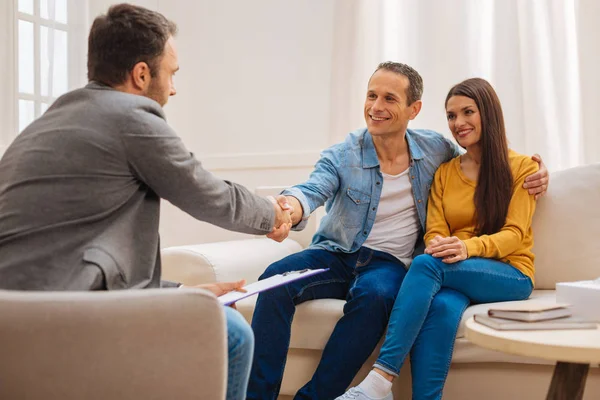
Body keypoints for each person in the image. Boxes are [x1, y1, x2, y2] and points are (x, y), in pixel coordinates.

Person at [0, 4, 291, 400]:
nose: (173, 88)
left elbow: (74, 250)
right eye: (171, 74)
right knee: (231, 334)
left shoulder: (51, 121)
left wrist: (177, 292)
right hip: (58, 317)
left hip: (15, 313)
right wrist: (274, 213)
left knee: (208, 315)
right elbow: (207, 195)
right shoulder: (130, 116)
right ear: (141, 74)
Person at [247, 63, 549, 400]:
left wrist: (540, 170)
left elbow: (492, 162)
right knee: (276, 279)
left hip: (388, 264)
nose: (376, 107)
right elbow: (311, 190)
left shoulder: (436, 151)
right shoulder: (345, 155)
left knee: (377, 296)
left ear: (413, 109)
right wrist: (288, 207)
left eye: (389, 98)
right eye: (371, 95)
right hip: (337, 254)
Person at [337, 77, 538, 400]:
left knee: (426, 266)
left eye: (467, 112)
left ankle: (380, 379)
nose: (458, 123)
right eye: (451, 115)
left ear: (489, 113)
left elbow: (514, 235)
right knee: (442, 306)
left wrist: (464, 247)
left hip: (510, 273)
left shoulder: (523, 168)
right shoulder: (446, 172)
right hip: (457, 272)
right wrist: (439, 243)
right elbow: (435, 228)